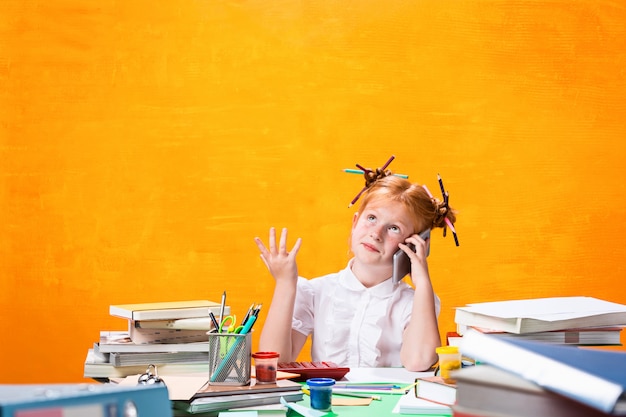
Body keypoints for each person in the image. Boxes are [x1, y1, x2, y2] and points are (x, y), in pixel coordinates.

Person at [254, 169, 457, 371]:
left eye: (394, 228)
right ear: (354, 222)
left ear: (415, 244)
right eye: (371, 218)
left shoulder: (415, 302)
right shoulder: (315, 292)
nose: (376, 234)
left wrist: (422, 282)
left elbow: (418, 361)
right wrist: (284, 285)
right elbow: (274, 366)